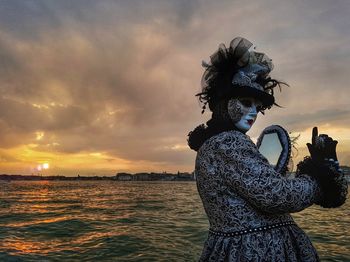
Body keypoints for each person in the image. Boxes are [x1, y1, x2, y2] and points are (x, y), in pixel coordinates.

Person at [187, 37, 348, 261]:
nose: (254, 112)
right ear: (223, 102)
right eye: (245, 102)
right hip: (255, 251)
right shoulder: (228, 143)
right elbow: (275, 195)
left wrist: (326, 173)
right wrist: (319, 178)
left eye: (258, 106)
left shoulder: (213, 144)